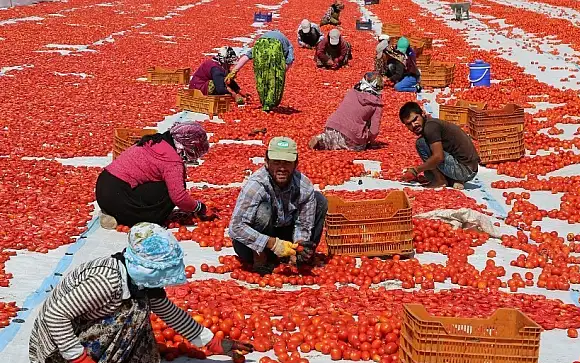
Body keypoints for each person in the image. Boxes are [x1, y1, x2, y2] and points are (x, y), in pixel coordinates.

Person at [11, 223, 254, 363]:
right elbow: (55, 315)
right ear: (146, 267)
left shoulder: (138, 280)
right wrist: (79, 358)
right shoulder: (108, 281)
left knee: (145, 344)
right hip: (57, 345)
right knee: (134, 310)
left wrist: (214, 343)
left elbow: (170, 313)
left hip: (79, 331)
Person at [228, 137, 327, 275]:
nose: (282, 168)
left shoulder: (304, 186)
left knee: (320, 200)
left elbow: (304, 224)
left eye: (287, 163)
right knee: (264, 210)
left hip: (285, 237)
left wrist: (298, 246)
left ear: (296, 163)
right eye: (276, 162)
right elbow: (236, 227)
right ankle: (261, 258)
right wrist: (272, 244)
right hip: (253, 244)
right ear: (267, 162)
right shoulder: (256, 185)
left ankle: (297, 257)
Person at [96, 122, 211, 229]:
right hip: (119, 195)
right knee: (170, 189)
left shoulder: (156, 141)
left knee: (163, 184)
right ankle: (131, 218)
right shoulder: (172, 161)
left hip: (103, 189)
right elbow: (179, 197)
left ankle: (112, 213)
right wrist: (198, 207)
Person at [399, 102, 480, 188]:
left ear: (422, 114)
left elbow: (438, 157)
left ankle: (440, 181)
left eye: (415, 119)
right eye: (408, 124)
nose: (413, 125)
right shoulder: (431, 123)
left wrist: (415, 170)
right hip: (469, 169)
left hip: (465, 170)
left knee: (421, 143)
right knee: (428, 173)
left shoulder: (430, 127)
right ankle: (453, 181)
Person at [309, 72, 383, 151]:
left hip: (331, 126)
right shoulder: (376, 103)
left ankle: (323, 138)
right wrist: (370, 141)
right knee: (360, 146)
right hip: (351, 136)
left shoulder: (351, 92)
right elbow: (374, 130)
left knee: (333, 138)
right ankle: (339, 142)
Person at [232, 30, 295, 111]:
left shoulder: (263, 37)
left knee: (261, 77)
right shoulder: (289, 45)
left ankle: (265, 102)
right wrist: (280, 74)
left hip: (260, 44)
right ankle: (269, 104)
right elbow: (289, 61)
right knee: (274, 81)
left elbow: (247, 57)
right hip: (275, 47)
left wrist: (234, 71)